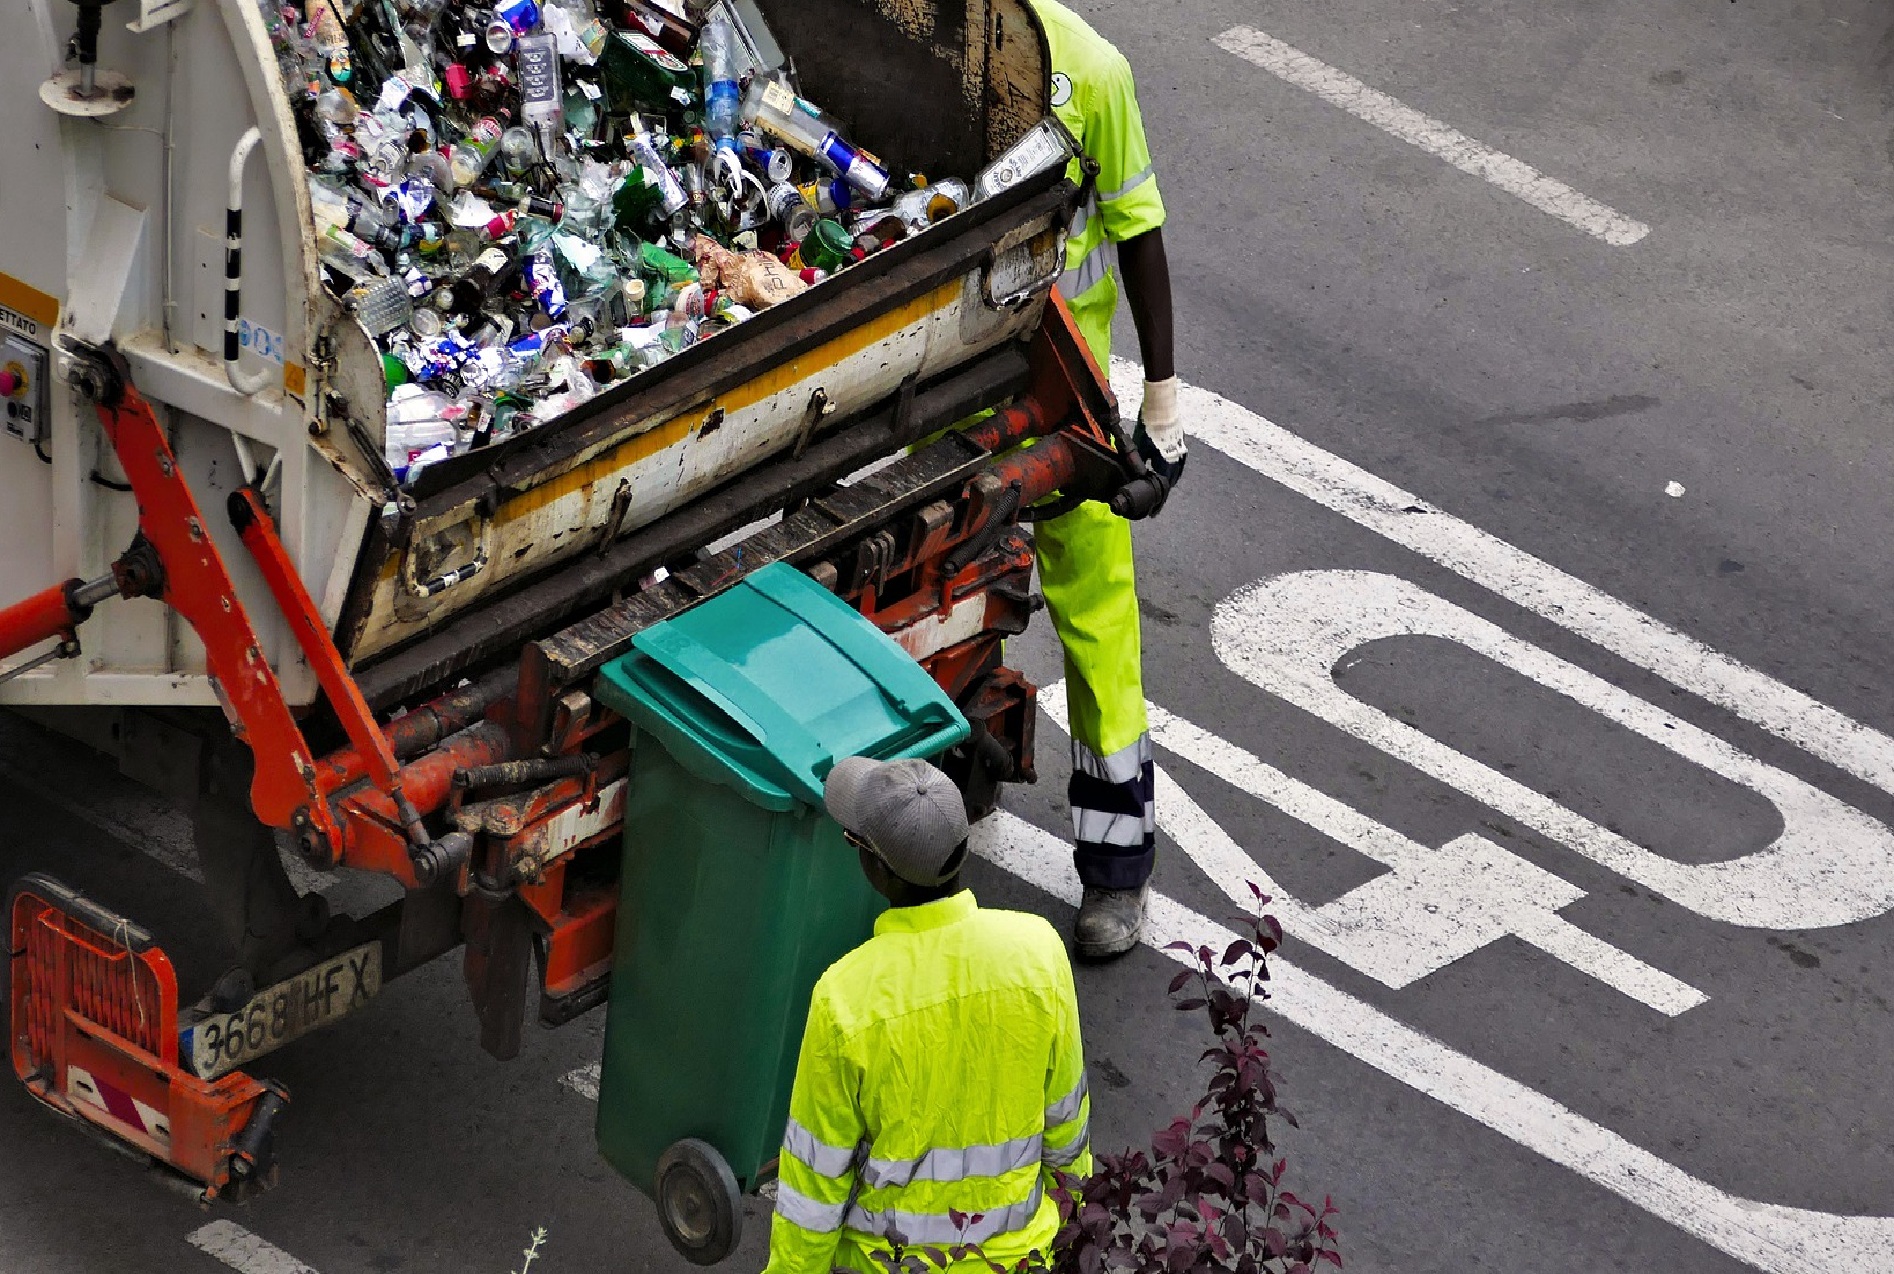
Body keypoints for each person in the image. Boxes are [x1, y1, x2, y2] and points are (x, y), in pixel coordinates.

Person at [762, 756, 1093, 1273]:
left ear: (875, 866)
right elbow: (1067, 1135)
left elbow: (814, 1193)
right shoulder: (1039, 955)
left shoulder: (845, 1000)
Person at [1024, 0, 1185, 958]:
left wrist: (1161, 409)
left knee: (1095, 625)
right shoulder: (926, 38)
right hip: (955, 372)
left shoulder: (1092, 71)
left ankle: (1117, 873)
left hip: (1062, 386)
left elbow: (1139, 233)